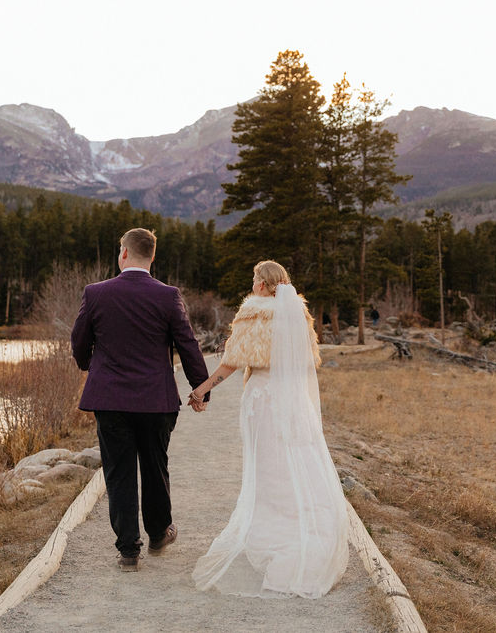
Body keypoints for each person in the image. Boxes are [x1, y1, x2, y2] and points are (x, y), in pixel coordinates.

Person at [188, 260, 348, 598]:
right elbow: (307, 363)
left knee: (266, 469)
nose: (253, 284)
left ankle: (272, 537)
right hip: (293, 401)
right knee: (294, 464)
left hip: (262, 400)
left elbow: (232, 361)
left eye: (254, 279)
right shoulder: (298, 316)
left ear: (262, 284)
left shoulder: (254, 312)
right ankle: (300, 532)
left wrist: (202, 388)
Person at [71, 228, 210, 572]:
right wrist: (201, 388)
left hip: (111, 399)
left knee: (118, 472)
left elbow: (79, 342)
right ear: (152, 258)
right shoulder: (168, 296)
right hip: (155, 400)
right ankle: (159, 534)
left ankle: (128, 550)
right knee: (155, 466)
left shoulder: (96, 293)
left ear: (123, 254)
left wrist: (93, 366)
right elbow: (187, 344)